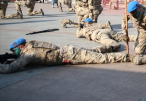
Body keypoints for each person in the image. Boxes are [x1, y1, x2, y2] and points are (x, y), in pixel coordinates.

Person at [0, 38, 130, 74]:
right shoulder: (32, 44)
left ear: (20, 46)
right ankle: (110, 47)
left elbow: (10, 69)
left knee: (102, 59)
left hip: (71, 55)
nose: (13, 53)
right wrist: (11, 58)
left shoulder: (27, 54)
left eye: (14, 50)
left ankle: (128, 57)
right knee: (93, 51)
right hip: (69, 50)